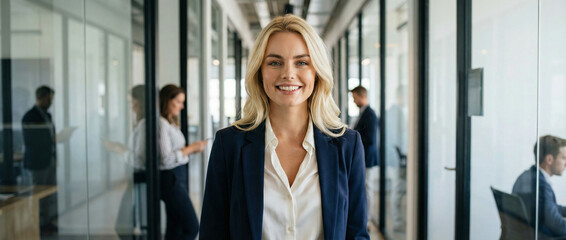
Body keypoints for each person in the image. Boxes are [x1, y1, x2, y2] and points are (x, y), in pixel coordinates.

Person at [200, 14, 369, 239]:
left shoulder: (347, 145)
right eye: (275, 62)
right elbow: (213, 233)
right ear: (259, 72)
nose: (288, 73)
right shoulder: (229, 144)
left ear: (316, 72)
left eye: (301, 62)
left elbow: (356, 234)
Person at [159, 84, 207, 240]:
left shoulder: (170, 123)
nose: (182, 106)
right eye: (178, 102)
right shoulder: (161, 124)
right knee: (191, 226)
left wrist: (191, 149)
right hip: (170, 178)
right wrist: (191, 148)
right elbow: (165, 159)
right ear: (167, 101)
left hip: (177, 176)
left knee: (175, 226)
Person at [21, 85, 59, 234]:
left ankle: (46, 221)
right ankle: (35, 223)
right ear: (40, 98)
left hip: (49, 159)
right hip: (37, 162)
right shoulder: (29, 116)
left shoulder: (47, 115)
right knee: (37, 194)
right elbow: (31, 140)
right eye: (49, 99)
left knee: (48, 193)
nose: (51, 102)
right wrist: (51, 140)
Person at [512, 135, 566, 237]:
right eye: (564, 158)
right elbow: (558, 226)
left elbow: (548, 207)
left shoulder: (528, 176)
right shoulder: (540, 185)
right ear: (549, 159)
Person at [350, 85, 380, 228]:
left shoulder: (371, 114)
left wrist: (353, 139)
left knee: (368, 188)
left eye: (355, 98)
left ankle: (367, 220)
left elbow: (370, 139)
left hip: (368, 158)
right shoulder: (363, 113)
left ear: (362, 96)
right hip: (362, 158)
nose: (354, 101)